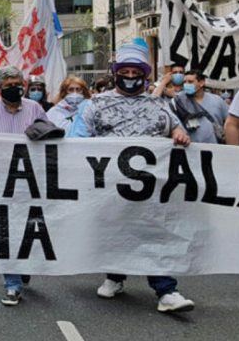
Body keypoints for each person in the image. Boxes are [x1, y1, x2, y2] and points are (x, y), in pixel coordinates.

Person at [71, 41, 195, 313]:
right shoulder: (94, 105)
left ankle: (166, 290)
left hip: (149, 188)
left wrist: (178, 134)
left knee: (152, 234)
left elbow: (177, 129)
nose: (129, 77)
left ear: (144, 75)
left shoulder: (159, 105)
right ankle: (115, 276)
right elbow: (76, 140)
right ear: (116, 74)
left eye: (134, 72)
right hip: (109, 186)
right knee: (116, 231)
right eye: (124, 72)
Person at [0, 66, 45, 306]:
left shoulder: (35, 109)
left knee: (28, 232)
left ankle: (23, 269)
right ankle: (12, 284)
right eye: (8, 84)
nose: (14, 88)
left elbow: (50, 137)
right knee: (6, 234)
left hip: (29, 183)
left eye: (17, 84)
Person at [169, 70, 228, 144]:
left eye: (190, 82)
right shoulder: (178, 101)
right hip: (189, 148)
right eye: (184, 82)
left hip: (215, 148)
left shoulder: (217, 100)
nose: (186, 85)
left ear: (201, 83)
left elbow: (229, 123)